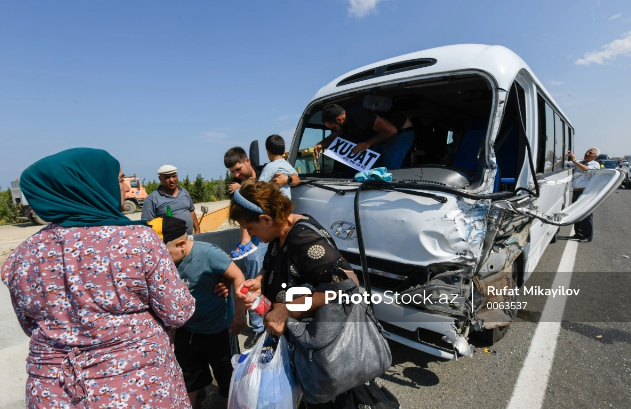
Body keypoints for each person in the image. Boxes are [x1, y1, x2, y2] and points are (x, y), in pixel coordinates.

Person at [1, 148, 196, 408]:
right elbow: (178, 312)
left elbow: (30, 325)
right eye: (119, 179)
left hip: (53, 391)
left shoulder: (21, 255)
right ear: (90, 186)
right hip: (135, 387)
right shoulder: (137, 240)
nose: (127, 187)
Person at [230, 179, 369, 408]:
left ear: (266, 219)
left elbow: (347, 286)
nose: (249, 234)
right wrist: (259, 280)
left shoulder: (303, 238)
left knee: (328, 400)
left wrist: (286, 309)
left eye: (250, 228)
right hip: (298, 344)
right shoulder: (277, 235)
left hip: (320, 349)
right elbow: (273, 264)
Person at [161, 215, 247, 407]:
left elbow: (237, 275)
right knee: (189, 376)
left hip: (218, 328)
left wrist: (239, 315)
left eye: (165, 253)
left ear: (181, 244)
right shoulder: (166, 263)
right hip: (188, 329)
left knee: (227, 376)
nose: (162, 259)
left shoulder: (208, 253)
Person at [224, 146, 300, 348]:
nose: (237, 175)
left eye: (238, 169)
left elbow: (295, 177)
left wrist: (288, 180)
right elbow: (244, 222)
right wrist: (246, 244)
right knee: (257, 274)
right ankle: (259, 327)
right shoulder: (239, 190)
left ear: (248, 161)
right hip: (258, 238)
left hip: (275, 231)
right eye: (233, 172)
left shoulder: (269, 169)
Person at [313, 103, 415, 170]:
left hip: (401, 133)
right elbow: (333, 137)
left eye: (333, 128)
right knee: (373, 168)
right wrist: (321, 145)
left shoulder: (359, 115)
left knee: (388, 170)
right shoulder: (343, 122)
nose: (333, 131)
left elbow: (391, 130)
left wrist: (368, 143)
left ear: (339, 119)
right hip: (382, 135)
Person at [141, 164, 200, 235]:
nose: (172, 180)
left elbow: (191, 212)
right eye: (167, 177)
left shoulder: (184, 192)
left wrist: (197, 231)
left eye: (174, 176)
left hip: (189, 238)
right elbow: (148, 223)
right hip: (169, 243)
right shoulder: (152, 198)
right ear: (160, 179)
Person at [567, 147, 601, 242]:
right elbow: (566, 164)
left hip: (585, 192)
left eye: (591, 153)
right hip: (576, 191)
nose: (587, 153)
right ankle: (578, 233)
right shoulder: (580, 162)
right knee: (576, 213)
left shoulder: (595, 164)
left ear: (595, 156)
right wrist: (567, 157)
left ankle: (587, 235)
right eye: (587, 151)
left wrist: (574, 161)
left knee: (586, 214)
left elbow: (586, 170)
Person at [259, 134, 300, 199]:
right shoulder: (288, 165)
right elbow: (297, 179)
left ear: (268, 152)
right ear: (284, 151)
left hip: (275, 204)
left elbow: (259, 187)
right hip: (287, 203)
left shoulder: (269, 167)